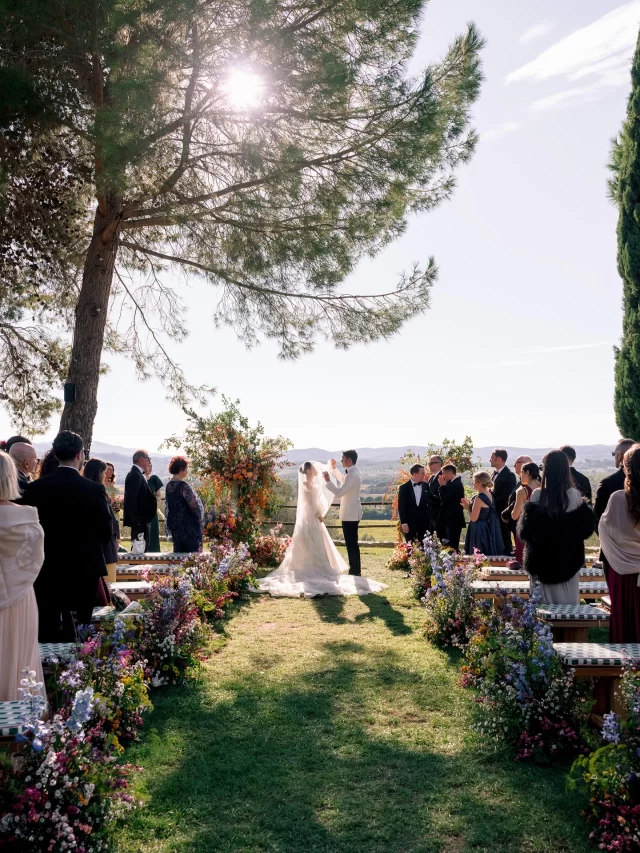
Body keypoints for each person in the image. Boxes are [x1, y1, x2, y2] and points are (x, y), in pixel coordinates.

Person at [21, 431, 113, 641]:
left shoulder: (35, 488)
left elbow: (28, 529)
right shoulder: (93, 489)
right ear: (80, 455)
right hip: (85, 566)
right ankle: (82, 668)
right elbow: (105, 530)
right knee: (83, 627)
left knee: (48, 625)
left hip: (47, 565)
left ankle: (49, 668)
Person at [260, 461, 387, 597]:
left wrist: (320, 512)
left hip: (314, 517)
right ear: (308, 471)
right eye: (313, 468)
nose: (316, 469)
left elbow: (317, 500)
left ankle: (316, 568)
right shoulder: (308, 484)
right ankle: (313, 569)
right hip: (312, 517)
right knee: (312, 542)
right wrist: (319, 513)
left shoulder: (312, 483)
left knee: (316, 543)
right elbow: (311, 503)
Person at [518, 449, 595, 605]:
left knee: (542, 612)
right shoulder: (573, 495)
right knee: (568, 607)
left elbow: (527, 530)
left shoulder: (538, 495)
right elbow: (581, 528)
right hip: (567, 562)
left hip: (541, 563)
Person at [0, 453, 45, 701]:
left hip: (18, 591)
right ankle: (23, 721)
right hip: (21, 596)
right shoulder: (26, 517)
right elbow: (34, 559)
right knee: (21, 656)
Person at [599, 444, 640, 642]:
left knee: (626, 625)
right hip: (625, 571)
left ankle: (626, 670)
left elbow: (605, 531)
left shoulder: (617, 499)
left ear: (627, 468)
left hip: (623, 572)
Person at [323, 451, 363, 576]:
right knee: (351, 543)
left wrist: (328, 481)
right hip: (351, 513)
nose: (341, 460)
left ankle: (355, 571)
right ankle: (355, 570)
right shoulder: (352, 473)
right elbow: (342, 479)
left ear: (349, 460)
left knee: (351, 544)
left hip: (350, 514)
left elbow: (339, 492)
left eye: (343, 458)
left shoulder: (353, 475)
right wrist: (334, 469)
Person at [83, 458, 120, 584]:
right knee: (109, 587)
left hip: (93, 545)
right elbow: (107, 519)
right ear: (98, 473)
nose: (105, 475)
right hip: (105, 546)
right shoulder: (98, 490)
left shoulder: (85, 489)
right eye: (104, 472)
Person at [594, 438, 635, 530]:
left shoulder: (607, 483)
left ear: (620, 456)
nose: (614, 457)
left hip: (614, 541)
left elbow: (598, 518)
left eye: (614, 454)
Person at [164, 456, 203, 553]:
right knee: (193, 556)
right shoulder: (183, 486)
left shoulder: (169, 485)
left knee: (178, 555)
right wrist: (200, 520)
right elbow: (195, 506)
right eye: (186, 468)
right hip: (187, 526)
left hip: (174, 525)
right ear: (181, 469)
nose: (187, 471)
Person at [462, 471, 503, 556]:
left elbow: (473, 518)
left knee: (478, 553)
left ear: (479, 483)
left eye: (474, 481)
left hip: (479, 529)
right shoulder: (489, 494)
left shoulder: (479, 498)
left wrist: (467, 508)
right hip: (487, 527)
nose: (473, 483)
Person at [123, 450, 157, 551]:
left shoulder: (138, 473)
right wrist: (137, 521)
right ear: (141, 459)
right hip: (139, 522)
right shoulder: (135, 475)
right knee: (138, 551)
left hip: (142, 521)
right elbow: (131, 499)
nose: (149, 462)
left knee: (142, 550)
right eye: (148, 459)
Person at [510, 462, 541, 566]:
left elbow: (514, 515)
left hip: (526, 529)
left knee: (524, 562)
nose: (520, 476)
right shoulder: (545, 489)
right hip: (542, 529)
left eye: (521, 473)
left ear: (527, 473)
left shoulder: (522, 491)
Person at [490, 449, 516, 555]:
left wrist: (490, 502)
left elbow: (506, 497)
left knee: (504, 538)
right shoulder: (493, 474)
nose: (490, 460)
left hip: (502, 514)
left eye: (492, 458)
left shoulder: (509, 475)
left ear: (498, 459)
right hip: (493, 513)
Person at [397, 464, 430, 544]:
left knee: (424, 546)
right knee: (410, 546)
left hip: (424, 523)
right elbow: (401, 506)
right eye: (422, 473)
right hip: (409, 523)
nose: (424, 475)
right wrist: (404, 523)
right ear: (415, 474)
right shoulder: (404, 488)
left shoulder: (426, 486)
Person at [436, 463, 466, 552]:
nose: (442, 476)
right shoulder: (451, 483)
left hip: (454, 520)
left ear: (449, 473)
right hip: (450, 519)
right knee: (450, 544)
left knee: (453, 545)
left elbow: (445, 500)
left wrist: (442, 486)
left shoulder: (456, 484)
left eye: (443, 473)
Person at [146, 464, 164, 552]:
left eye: (151, 466)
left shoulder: (154, 479)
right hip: (142, 512)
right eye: (148, 466)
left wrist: (155, 506)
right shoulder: (139, 479)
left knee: (153, 533)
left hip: (153, 512)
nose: (150, 468)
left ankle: (154, 553)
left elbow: (159, 496)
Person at [425, 455, 443, 533]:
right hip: (430, 515)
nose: (429, 465)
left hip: (439, 515)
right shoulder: (432, 478)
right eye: (428, 463)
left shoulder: (443, 476)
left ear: (439, 464)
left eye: (431, 463)